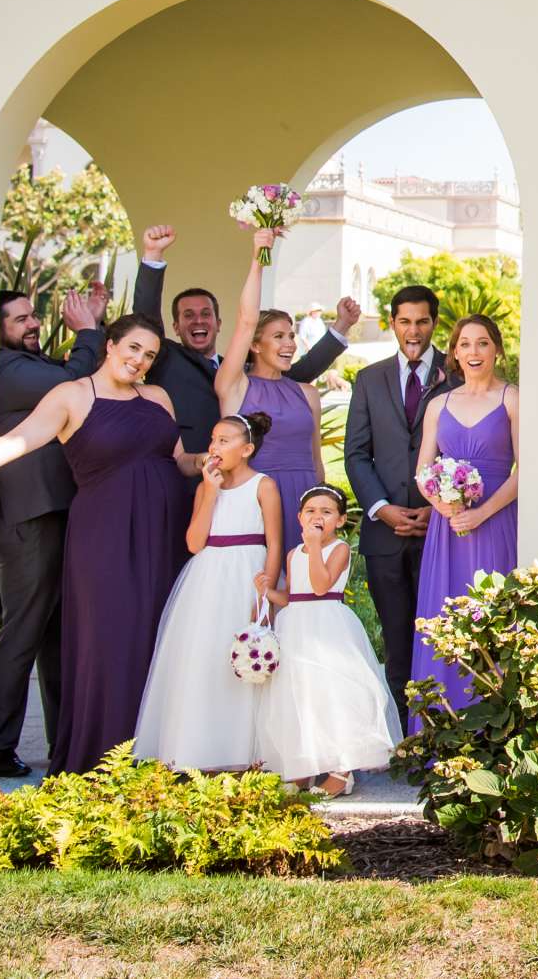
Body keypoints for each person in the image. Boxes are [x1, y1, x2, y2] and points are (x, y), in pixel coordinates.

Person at [0, 316, 188, 773]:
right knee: (110, 639)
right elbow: (18, 441)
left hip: (164, 533)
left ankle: (156, 756)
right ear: (110, 344)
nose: (140, 361)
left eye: (150, 356)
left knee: (157, 637)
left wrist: (218, 460)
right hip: (105, 536)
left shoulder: (158, 397)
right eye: (134, 348)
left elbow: (179, 461)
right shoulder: (72, 396)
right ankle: (106, 758)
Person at [0, 284, 104, 778]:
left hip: (58, 511)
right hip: (29, 516)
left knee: (58, 636)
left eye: (32, 316)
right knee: (25, 630)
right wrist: (90, 332)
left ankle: (64, 743)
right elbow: (76, 382)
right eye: (20, 320)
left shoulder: (30, 366)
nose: (32, 325)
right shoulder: (5, 368)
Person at [115, 224, 359, 462]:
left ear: (219, 323)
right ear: (176, 327)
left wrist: (341, 327)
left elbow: (296, 374)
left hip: (239, 482)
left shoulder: (241, 370)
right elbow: (145, 320)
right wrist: (153, 256)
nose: (198, 320)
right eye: (188, 315)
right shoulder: (167, 359)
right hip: (185, 479)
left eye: (206, 314)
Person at [134, 412, 285, 772]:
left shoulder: (264, 485)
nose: (215, 447)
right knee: (203, 659)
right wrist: (211, 493)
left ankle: (246, 753)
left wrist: (267, 593)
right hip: (207, 577)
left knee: (245, 658)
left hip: (247, 573)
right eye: (213, 439)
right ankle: (198, 751)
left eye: (225, 441)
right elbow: (194, 542)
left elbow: (276, 543)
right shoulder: (206, 487)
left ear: (246, 449)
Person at [342, 283, 450, 729]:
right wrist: (381, 507)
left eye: (422, 321)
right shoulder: (370, 379)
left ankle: (445, 729)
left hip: (441, 530)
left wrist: (438, 507)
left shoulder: (459, 371)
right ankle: (404, 734)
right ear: (392, 323)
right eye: (404, 321)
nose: (413, 330)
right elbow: (355, 453)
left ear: (434, 323)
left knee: (444, 635)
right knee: (397, 636)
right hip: (384, 533)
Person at [406, 315, 520, 729]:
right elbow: (422, 471)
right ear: (454, 352)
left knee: (492, 615)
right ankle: (441, 729)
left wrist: (481, 512)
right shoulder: (439, 405)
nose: (474, 352)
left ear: (497, 349)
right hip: (448, 529)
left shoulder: (512, 399)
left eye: (483, 343)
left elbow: (524, 470)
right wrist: (444, 506)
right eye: (465, 344)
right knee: (446, 615)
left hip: (495, 521)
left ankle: (494, 727)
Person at [258, 485, 402, 796]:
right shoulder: (293, 553)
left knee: (331, 694)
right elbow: (294, 596)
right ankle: (303, 766)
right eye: (310, 511)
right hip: (296, 627)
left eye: (326, 511)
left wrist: (313, 545)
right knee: (300, 694)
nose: (317, 516)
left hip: (328, 626)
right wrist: (268, 593)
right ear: (299, 517)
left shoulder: (338, 549)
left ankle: (341, 769)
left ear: (339, 520)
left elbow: (321, 586)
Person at [215, 230, 326, 520]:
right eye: (278, 336)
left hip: (303, 499)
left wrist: (322, 513)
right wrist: (258, 259)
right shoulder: (236, 386)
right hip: (254, 501)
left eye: (291, 335)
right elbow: (246, 319)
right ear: (254, 344)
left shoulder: (307, 394)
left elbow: (316, 461)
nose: (289, 343)